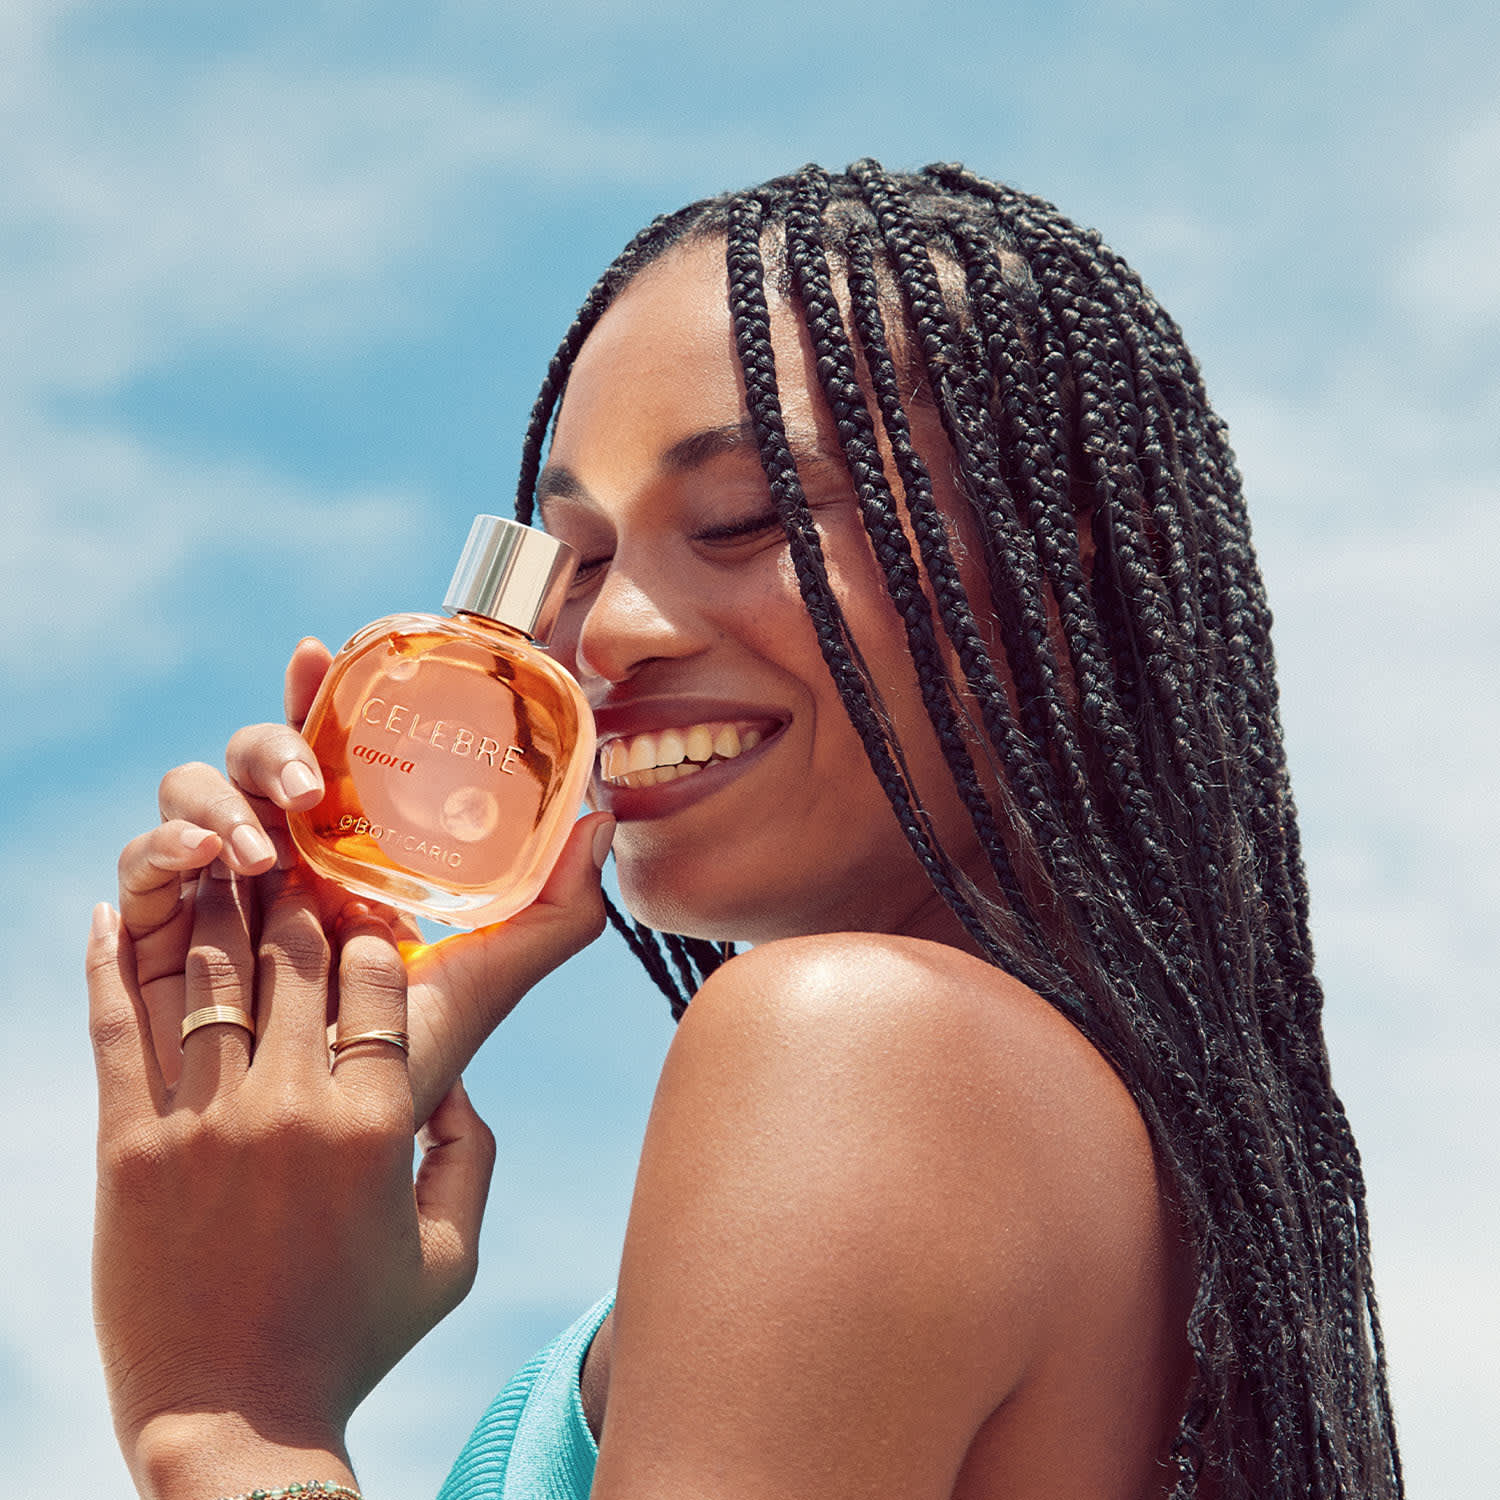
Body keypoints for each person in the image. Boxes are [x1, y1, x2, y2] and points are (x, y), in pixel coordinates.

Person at [88, 161, 1404, 1500]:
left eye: (741, 520)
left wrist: (230, 1412)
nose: (607, 636)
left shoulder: (862, 1040)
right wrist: (329, 985)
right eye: (578, 555)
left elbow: (233, 1417)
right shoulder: (1122, 1166)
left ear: (1057, 570)